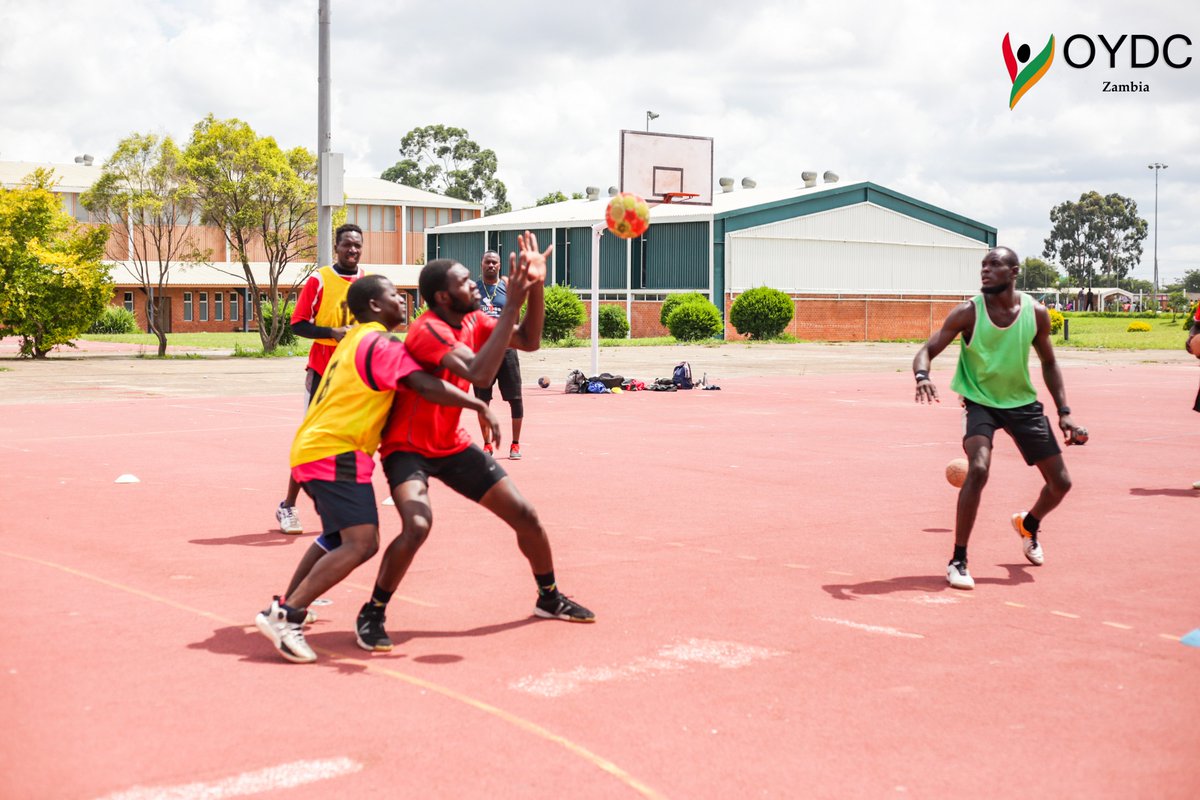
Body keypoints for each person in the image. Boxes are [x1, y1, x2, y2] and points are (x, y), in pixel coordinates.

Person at [255, 274, 514, 663]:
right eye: (394, 295)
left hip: (320, 447)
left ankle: (289, 603)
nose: (402, 300)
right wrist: (477, 404)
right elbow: (425, 385)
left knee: (337, 536)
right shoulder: (381, 342)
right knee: (363, 542)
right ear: (376, 306)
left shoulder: (353, 339)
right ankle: (284, 616)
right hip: (335, 450)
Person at [356, 232, 594, 653]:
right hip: (407, 448)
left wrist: (535, 284)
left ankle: (548, 596)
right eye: (465, 282)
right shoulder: (427, 331)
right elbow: (481, 376)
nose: (474, 286)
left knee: (526, 515)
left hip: (450, 443)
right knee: (417, 525)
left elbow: (529, 340)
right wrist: (514, 302)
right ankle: (373, 611)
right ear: (444, 298)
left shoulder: (474, 319)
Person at [913, 246, 1082, 590]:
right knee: (977, 467)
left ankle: (1029, 524)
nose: (985, 271)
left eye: (994, 265)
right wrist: (922, 376)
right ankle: (958, 559)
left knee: (1061, 483)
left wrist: (1064, 413)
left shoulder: (1036, 314)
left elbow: (1049, 363)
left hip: (1022, 403)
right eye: (983, 265)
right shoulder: (968, 312)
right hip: (979, 403)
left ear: (1014, 271)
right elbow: (927, 350)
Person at [274, 223, 367, 535]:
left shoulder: (366, 281)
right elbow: (297, 324)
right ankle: (287, 506)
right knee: (312, 441)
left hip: (353, 372)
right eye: (347, 245)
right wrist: (331, 333)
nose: (352, 250)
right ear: (336, 247)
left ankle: (342, 506)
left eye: (357, 245)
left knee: (349, 442)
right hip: (322, 371)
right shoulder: (320, 279)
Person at [474, 249, 527, 460]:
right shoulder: (473, 289)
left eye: (495, 262)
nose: (491, 266)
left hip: (507, 351)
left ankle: (515, 444)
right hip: (482, 354)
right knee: (481, 401)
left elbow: (516, 313)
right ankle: (487, 444)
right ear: (481, 264)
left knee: (516, 399)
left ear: (499, 265)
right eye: (487, 262)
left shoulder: (506, 287)